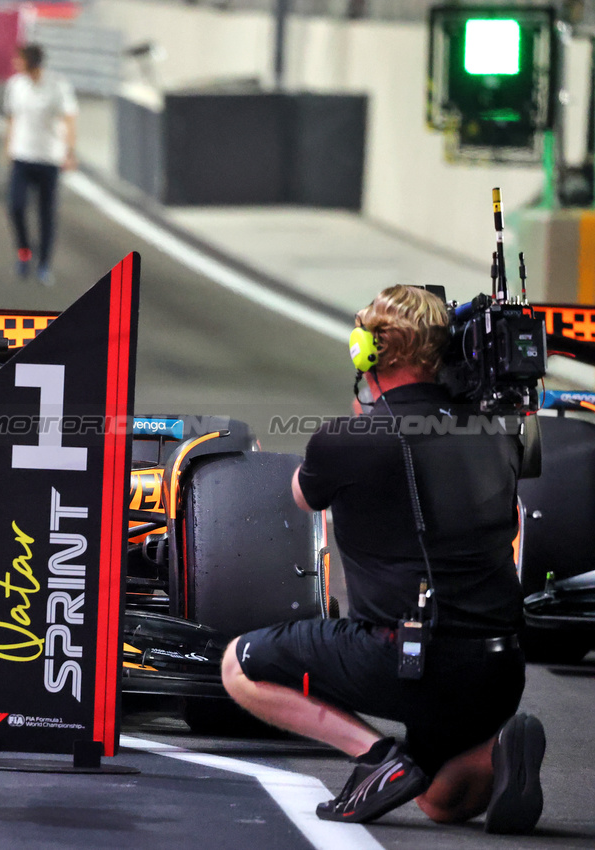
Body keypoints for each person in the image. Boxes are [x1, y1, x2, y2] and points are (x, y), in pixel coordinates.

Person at [221, 285, 546, 833]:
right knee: (439, 802)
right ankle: (495, 753)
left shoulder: (348, 438)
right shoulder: (498, 431)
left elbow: (303, 495)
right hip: (498, 671)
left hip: (406, 660)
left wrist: (363, 418)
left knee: (238, 665)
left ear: (368, 352)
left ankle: (376, 758)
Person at [3, 42, 77, 286]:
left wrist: (69, 152)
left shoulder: (57, 85)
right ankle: (24, 251)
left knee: (46, 214)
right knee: (15, 206)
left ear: (31, 62)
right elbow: (12, 117)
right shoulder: (16, 85)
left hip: (49, 158)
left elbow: (69, 119)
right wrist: (8, 146)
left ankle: (44, 263)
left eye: (20, 60)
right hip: (22, 156)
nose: (15, 64)